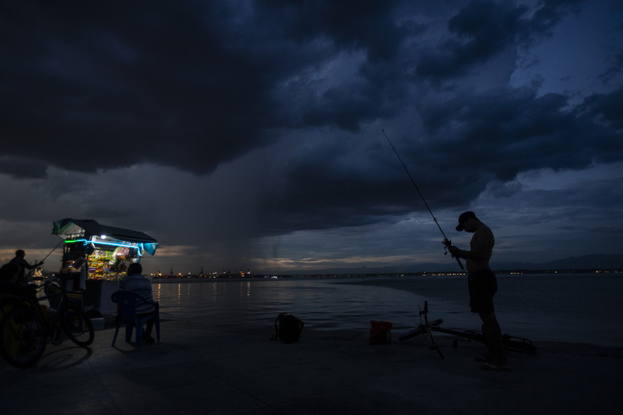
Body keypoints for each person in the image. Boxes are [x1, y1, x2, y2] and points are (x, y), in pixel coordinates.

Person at [445, 211, 510, 371]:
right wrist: (458, 252)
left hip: (481, 277)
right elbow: (475, 256)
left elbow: (481, 255)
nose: (466, 230)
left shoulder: (483, 232)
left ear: (470, 220)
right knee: (485, 319)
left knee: (489, 319)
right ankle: (492, 353)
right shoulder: (480, 233)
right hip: (477, 278)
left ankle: (500, 360)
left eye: (465, 226)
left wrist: (459, 252)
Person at [118, 263, 157, 343]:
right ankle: (147, 334)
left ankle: (142, 332)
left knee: (134, 311)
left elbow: (120, 297)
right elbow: (150, 297)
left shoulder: (124, 281)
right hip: (149, 311)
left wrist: (119, 313)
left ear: (130, 271)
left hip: (133, 312)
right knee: (152, 314)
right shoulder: (147, 281)